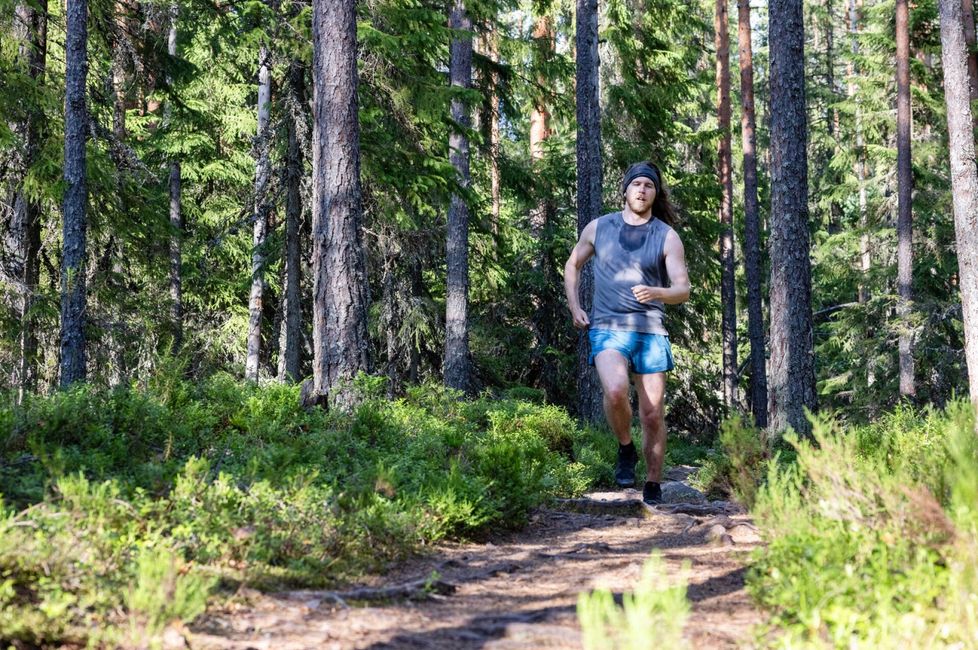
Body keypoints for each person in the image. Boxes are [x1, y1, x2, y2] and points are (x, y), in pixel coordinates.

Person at [563, 161, 691, 505]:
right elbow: (572, 265)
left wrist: (658, 293)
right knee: (616, 391)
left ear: (655, 193)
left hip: (650, 331)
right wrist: (575, 306)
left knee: (652, 412)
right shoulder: (599, 228)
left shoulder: (666, 236)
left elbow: (682, 289)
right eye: (636, 184)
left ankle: (652, 484)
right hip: (607, 326)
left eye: (649, 186)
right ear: (625, 190)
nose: (642, 190)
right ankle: (625, 448)